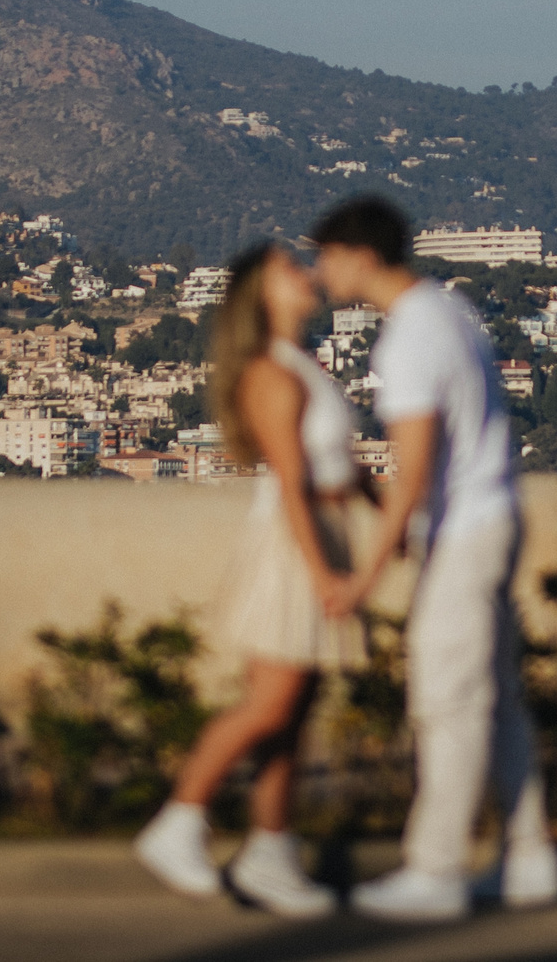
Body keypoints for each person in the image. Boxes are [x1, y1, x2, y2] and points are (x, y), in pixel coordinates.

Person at [313, 194, 557, 921]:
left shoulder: (408, 338)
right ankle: (529, 855)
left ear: (360, 255)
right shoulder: (452, 312)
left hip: (463, 529)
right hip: (496, 513)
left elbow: (412, 469)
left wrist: (366, 573)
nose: (321, 269)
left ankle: (437, 867)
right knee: (498, 697)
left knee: (447, 698)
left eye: (326, 255)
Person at [133, 242, 365, 918]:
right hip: (294, 546)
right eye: (289, 268)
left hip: (320, 536)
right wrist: (324, 571)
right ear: (264, 294)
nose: (305, 272)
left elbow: (335, 467)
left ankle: (272, 850)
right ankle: (179, 820)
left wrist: (388, 513)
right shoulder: (271, 372)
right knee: (271, 702)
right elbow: (292, 480)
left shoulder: (303, 366)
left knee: (292, 712)